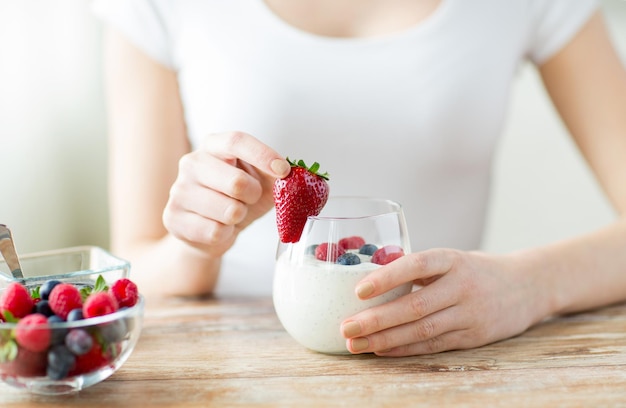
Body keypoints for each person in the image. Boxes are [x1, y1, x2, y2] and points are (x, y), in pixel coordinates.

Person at [92, 0, 626, 357]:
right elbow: (136, 271)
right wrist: (200, 240)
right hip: (237, 365)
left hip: (441, 359)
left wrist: (529, 285)